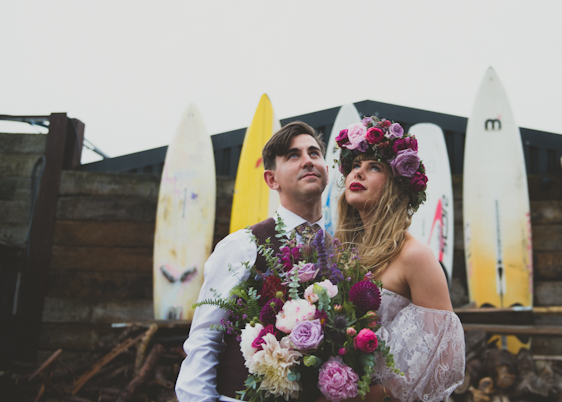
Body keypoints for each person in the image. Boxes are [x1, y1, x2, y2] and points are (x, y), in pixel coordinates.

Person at [175, 121, 329, 402]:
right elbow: (205, 338)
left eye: (314, 153)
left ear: (326, 170)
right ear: (272, 180)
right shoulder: (242, 245)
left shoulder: (341, 252)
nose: (308, 160)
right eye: (294, 155)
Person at [328, 117, 465, 402]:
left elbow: (445, 358)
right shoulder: (341, 254)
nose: (358, 173)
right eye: (355, 166)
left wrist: (367, 398)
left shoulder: (415, 256)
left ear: (395, 186)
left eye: (373, 167)